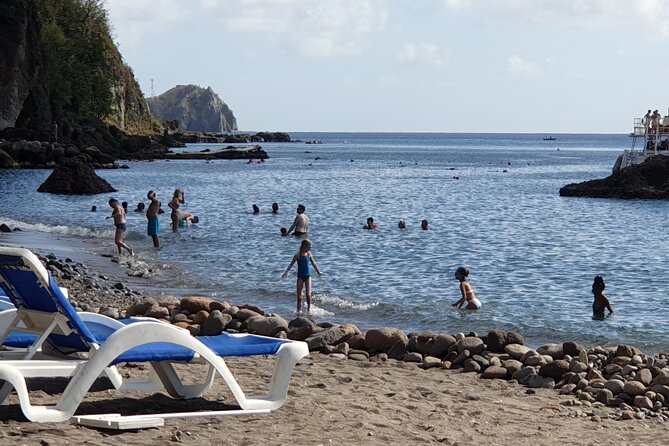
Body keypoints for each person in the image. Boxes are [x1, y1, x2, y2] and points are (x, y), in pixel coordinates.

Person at [282, 239, 323, 314]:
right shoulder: (298, 255)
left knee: (308, 294)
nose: (310, 248)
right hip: (300, 276)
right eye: (308, 246)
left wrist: (318, 272)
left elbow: (314, 263)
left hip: (308, 276)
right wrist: (286, 272)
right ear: (304, 246)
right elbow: (291, 264)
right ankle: (298, 310)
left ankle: (309, 309)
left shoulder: (309, 254)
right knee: (299, 295)